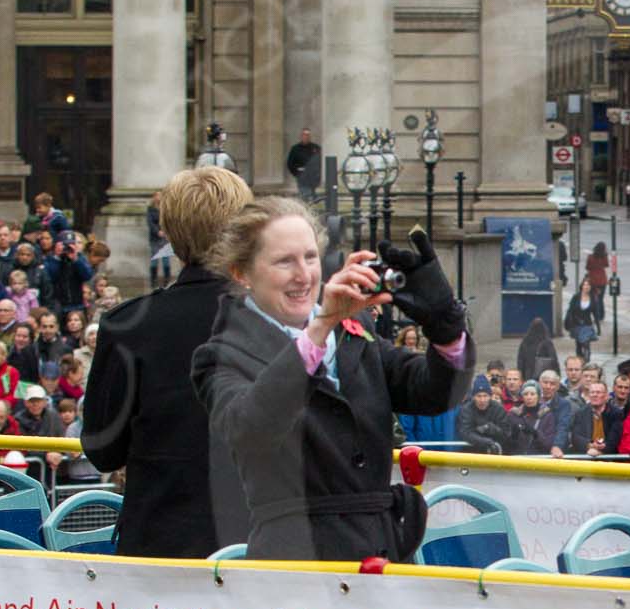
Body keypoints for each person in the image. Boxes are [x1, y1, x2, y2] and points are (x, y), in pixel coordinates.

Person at [192, 201, 471, 561]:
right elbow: (251, 429)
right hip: (299, 566)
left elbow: (433, 393)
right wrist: (319, 328)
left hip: (380, 554)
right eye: (284, 261)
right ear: (242, 273)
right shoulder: (221, 355)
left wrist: (445, 325)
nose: (304, 275)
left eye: (310, 257)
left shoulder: (355, 329)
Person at [82, 167, 254, 559]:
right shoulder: (284, 324)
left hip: (161, 544)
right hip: (263, 547)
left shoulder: (128, 324)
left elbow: (103, 448)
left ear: (169, 234)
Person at [286, 128, 322, 201]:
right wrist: (297, 173)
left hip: (313, 178)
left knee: (312, 197)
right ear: (301, 136)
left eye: (308, 135)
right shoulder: (295, 149)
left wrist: (318, 177)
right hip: (302, 178)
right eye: (304, 135)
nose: (306, 137)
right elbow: (290, 163)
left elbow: (319, 164)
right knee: (305, 196)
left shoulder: (316, 148)